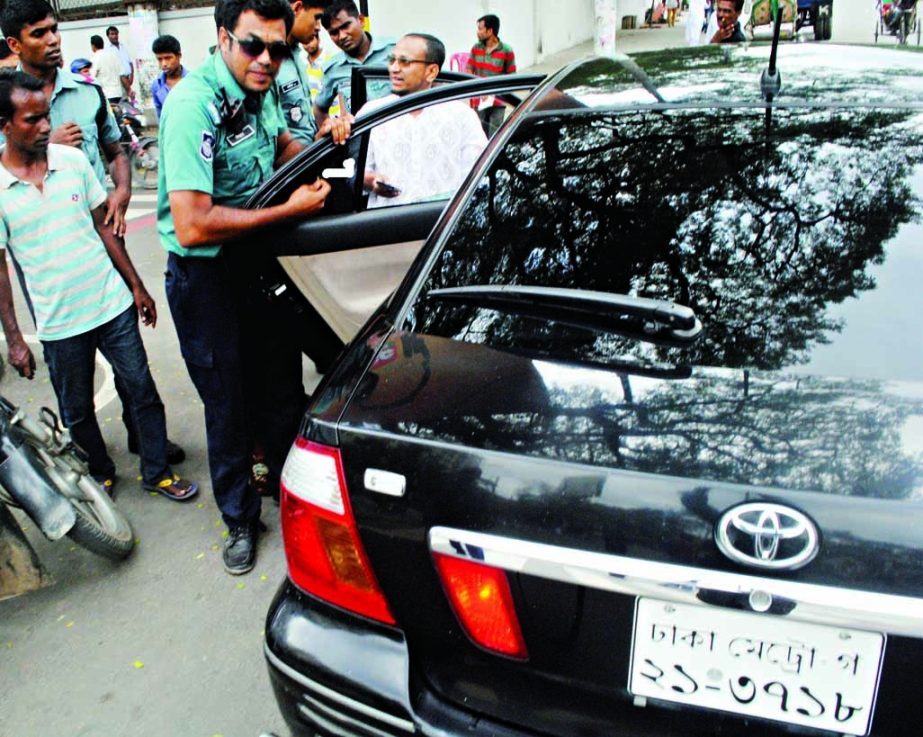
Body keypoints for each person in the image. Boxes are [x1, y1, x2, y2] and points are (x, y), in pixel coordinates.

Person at [158, 0, 337, 575]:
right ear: (222, 38)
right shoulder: (193, 105)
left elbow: (280, 146)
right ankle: (239, 518)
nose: (266, 60)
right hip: (206, 272)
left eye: (278, 49)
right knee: (228, 403)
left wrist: (326, 148)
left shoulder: (257, 91)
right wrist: (289, 209)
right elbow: (193, 222)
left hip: (255, 262)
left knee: (280, 387)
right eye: (253, 45)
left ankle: (293, 496)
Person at [1, 0, 185, 475]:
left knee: (137, 383)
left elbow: (114, 148)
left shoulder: (86, 96)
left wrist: (122, 191)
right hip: (52, 293)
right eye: (39, 33)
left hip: (103, 276)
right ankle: (101, 469)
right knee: (75, 398)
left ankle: (151, 451)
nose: (54, 39)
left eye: (55, 29)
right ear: (14, 44)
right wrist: (15, 337)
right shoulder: (6, 110)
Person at [360, 33, 486, 208]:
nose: (394, 68)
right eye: (392, 60)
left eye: (405, 62)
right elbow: (355, 171)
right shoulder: (372, 113)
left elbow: (479, 177)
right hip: (387, 226)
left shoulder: (461, 116)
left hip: (443, 226)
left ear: (431, 71)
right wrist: (369, 181)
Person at [314, 0, 394, 129]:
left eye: (346, 26)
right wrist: (332, 132)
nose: (342, 36)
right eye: (334, 33)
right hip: (360, 146)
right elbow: (320, 109)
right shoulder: (333, 69)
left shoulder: (393, 51)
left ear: (361, 20)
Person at [277, 0, 327, 142]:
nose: (318, 27)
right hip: (292, 163)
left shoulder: (297, 58)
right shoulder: (270, 62)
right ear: (297, 8)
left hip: (308, 157)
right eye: (316, 17)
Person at [466, 14, 516, 137]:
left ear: (490, 31)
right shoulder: (476, 48)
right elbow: (468, 69)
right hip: (479, 100)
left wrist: (496, 92)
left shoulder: (506, 51)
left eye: (480, 29)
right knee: (479, 134)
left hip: (498, 101)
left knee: (495, 135)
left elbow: (512, 77)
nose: (477, 32)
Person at [150, 34, 186, 120]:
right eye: (160, 59)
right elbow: (161, 116)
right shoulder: (157, 85)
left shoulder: (193, 81)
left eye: (168, 58)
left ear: (179, 56)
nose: (164, 64)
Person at [302, 23, 332, 103]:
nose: (308, 45)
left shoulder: (329, 60)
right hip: (311, 113)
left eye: (311, 40)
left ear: (318, 40)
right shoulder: (302, 64)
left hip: (331, 113)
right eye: (305, 42)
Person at [90, 33, 122, 102]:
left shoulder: (95, 57)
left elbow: (91, 76)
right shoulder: (113, 55)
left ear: (93, 46)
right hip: (118, 93)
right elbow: (121, 72)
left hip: (106, 94)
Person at [105, 25, 133, 99]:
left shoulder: (123, 46)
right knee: (122, 101)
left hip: (128, 79)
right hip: (119, 81)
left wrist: (131, 77)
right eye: (112, 34)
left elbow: (130, 62)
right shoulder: (108, 50)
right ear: (108, 36)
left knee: (128, 100)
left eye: (116, 34)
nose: (115, 36)